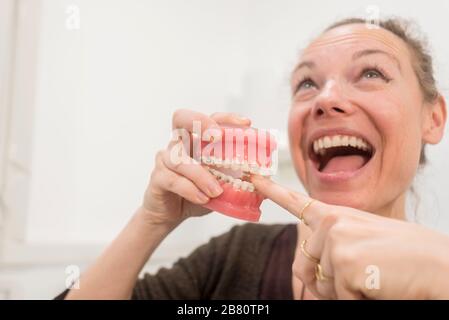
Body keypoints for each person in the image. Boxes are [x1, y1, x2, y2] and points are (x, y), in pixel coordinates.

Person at [60, 17, 448, 300]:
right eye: (307, 84)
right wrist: (153, 220)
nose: (326, 99)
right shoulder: (234, 257)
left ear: (433, 118)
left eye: (371, 73)